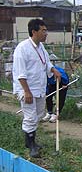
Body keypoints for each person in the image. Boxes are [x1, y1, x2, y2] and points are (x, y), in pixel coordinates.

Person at [12, 19, 61, 158]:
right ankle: (31, 145)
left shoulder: (40, 47)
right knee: (30, 116)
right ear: (34, 32)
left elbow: (46, 63)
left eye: (46, 30)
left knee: (39, 114)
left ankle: (30, 140)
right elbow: (20, 73)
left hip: (39, 88)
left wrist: (53, 70)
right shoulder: (23, 48)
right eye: (43, 31)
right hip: (26, 89)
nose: (46, 33)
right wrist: (26, 91)